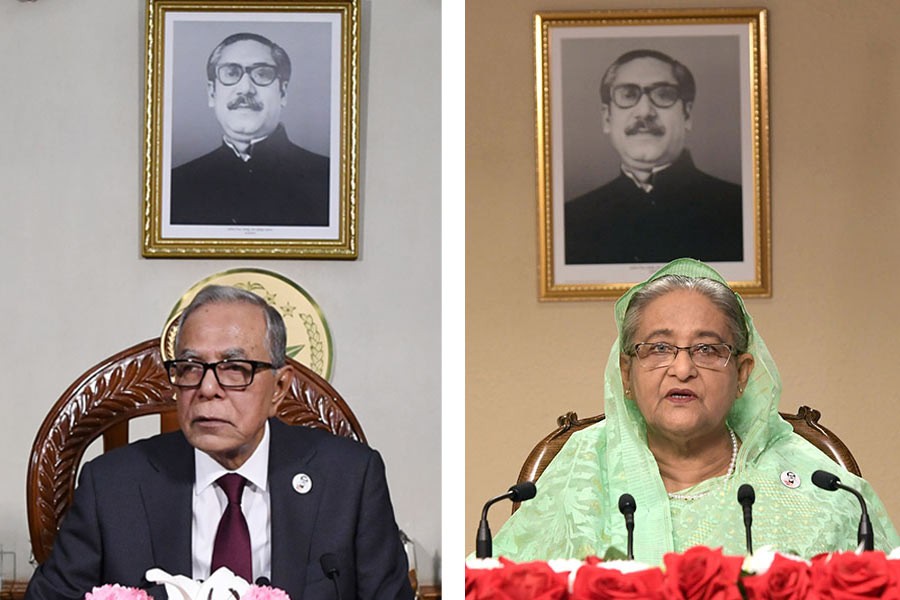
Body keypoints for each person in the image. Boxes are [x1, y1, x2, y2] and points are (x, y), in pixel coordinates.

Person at [491, 258, 900, 564]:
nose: (682, 369)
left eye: (707, 349)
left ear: (741, 375)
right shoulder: (580, 472)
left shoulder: (818, 488)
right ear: (627, 374)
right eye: (659, 348)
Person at [26, 286, 413, 599]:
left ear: (279, 387)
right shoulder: (112, 485)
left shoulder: (349, 479)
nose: (207, 388)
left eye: (234, 368)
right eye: (190, 368)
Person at [565, 50, 743, 265]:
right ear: (607, 118)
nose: (644, 111)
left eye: (663, 95)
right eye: (628, 95)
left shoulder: (739, 212)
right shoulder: (572, 220)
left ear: (687, 115)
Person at [170, 33, 330, 227]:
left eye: (262, 74)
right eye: (231, 73)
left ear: (283, 93)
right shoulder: (175, 186)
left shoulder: (329, 181)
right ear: (212, 93)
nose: (245, 88)